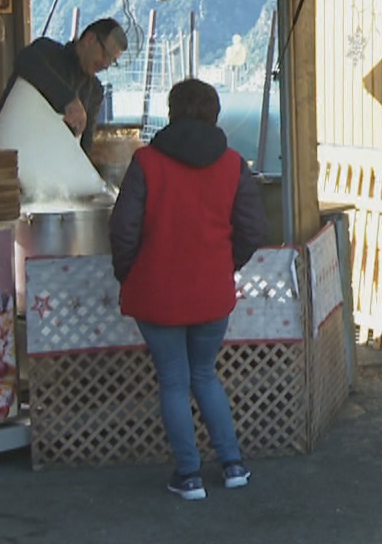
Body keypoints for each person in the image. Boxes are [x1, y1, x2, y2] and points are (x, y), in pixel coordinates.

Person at [109, 78, 266, 499]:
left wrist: (130, 272)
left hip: (156, 291)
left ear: (172, 111)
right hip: (212, 292)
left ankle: (190, 474)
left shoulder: (146, 162)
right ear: (215, 114)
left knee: (175, 381)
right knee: (205, 375)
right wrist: (224, 264)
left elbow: (123, 230)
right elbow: (252, 228)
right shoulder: (233, 164)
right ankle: (233, 464)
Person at [1, 17, 128, 153]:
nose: (106, 64)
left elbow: (85, 145)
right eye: (106, 55)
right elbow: (24, 61)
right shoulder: (46, 52)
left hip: (50, 167)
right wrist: (68, 100)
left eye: (112, 61)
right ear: (90, 39)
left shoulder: (95, 91)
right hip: (7, 156)